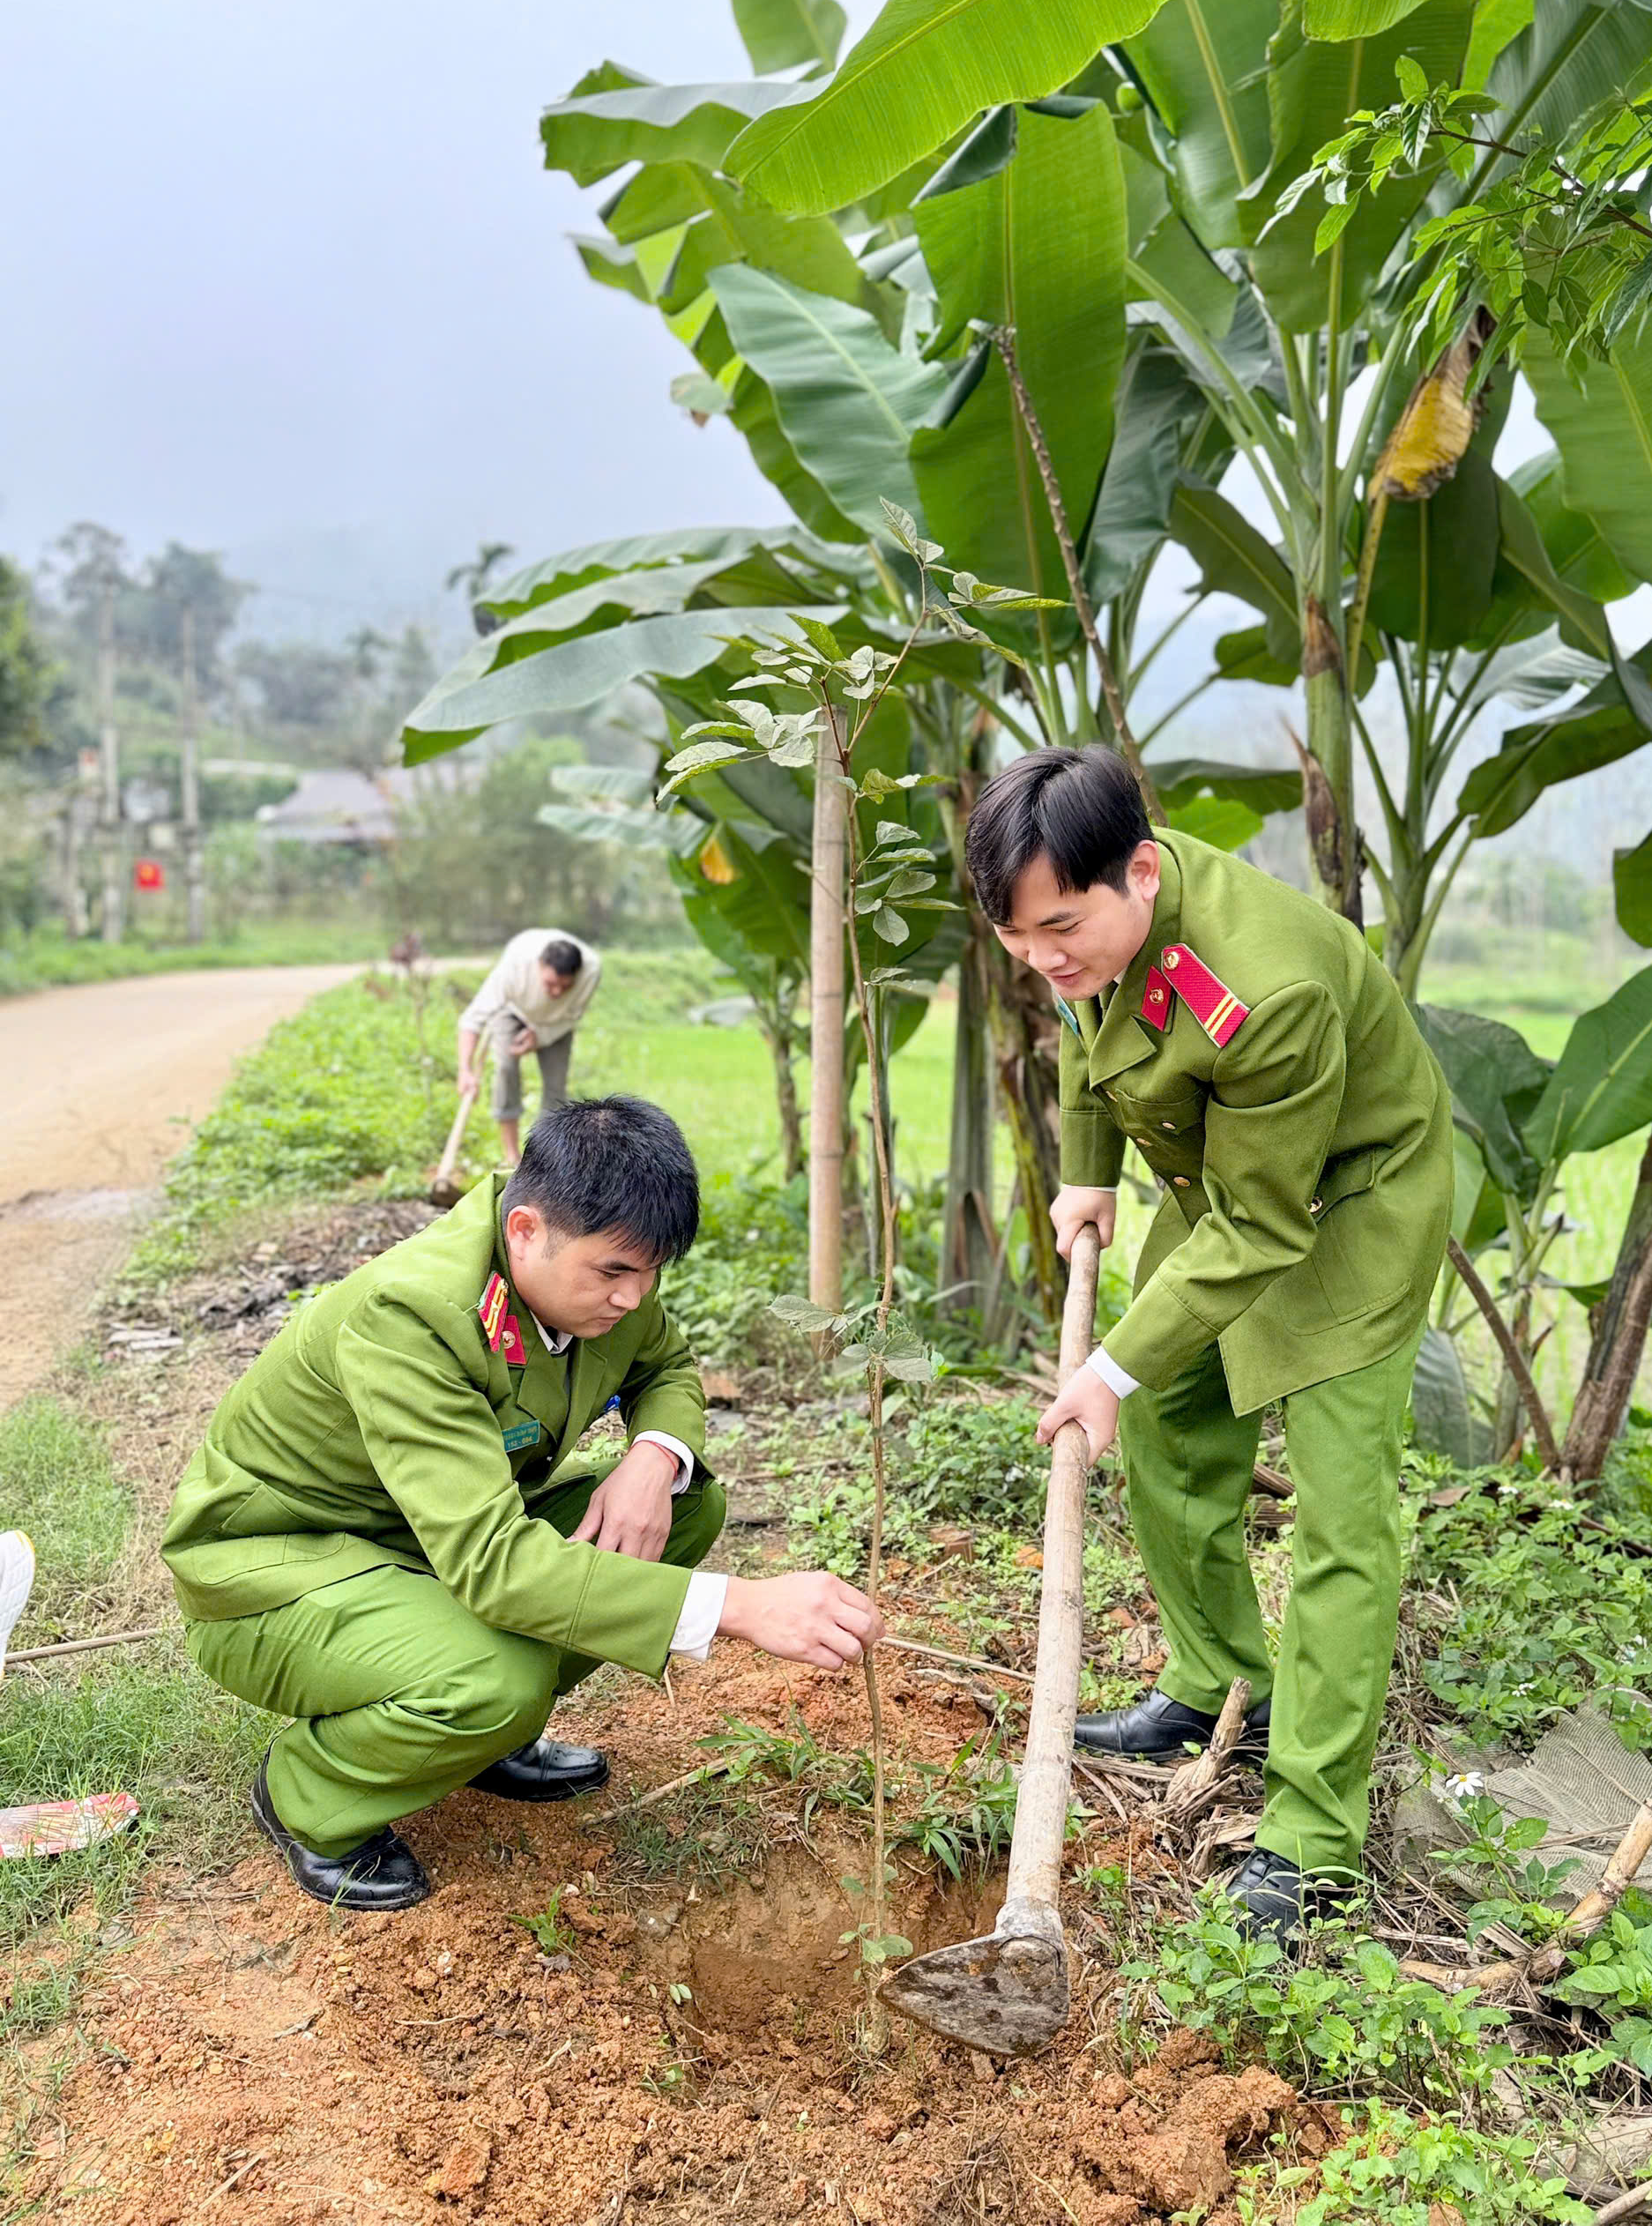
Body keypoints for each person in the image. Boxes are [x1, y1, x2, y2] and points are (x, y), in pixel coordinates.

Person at [161, 1096, 882, 1912]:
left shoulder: (592, 1277)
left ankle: (475, 1742)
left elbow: (666, 1365)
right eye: (614, 1273)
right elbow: (496, 1567)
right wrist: (739, 1604)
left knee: (683, 1509)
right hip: (284, 1565)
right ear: (526, 1229)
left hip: (426, 1541)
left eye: (651, 1275)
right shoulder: (413, 1315)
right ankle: (308, 1794)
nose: (634, 1300)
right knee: (495, 1681)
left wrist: (653, 1456)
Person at [964, 748, 1452, 1940]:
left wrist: (1106, 1364)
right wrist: (1086, 1173)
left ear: (1139, 870)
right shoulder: (1093, 915)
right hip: (1227, 1179)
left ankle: (1313, 1841)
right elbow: (1089, 1018)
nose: (1040, 958)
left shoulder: (1261, 989)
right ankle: (1216, 1680)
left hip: (1348, 1205)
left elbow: (1265, 1223)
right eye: (1017, 938)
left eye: (1058, 928)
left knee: (1340, 1519)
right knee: (1174, 1424)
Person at [458, 929, 601, 1166]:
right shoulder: (515, 966)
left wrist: (541, 1037)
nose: (556, 992)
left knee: (555, 1088)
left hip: (557, 1022)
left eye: (565, 987)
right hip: (512, 1010)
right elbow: (472, 1019)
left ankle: (543, 1162)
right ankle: (511, 1157)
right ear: (539, 966)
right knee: (505, 1068)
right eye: (550, 983)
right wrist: (465, 1069)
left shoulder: (592, 970)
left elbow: (571, 1016)